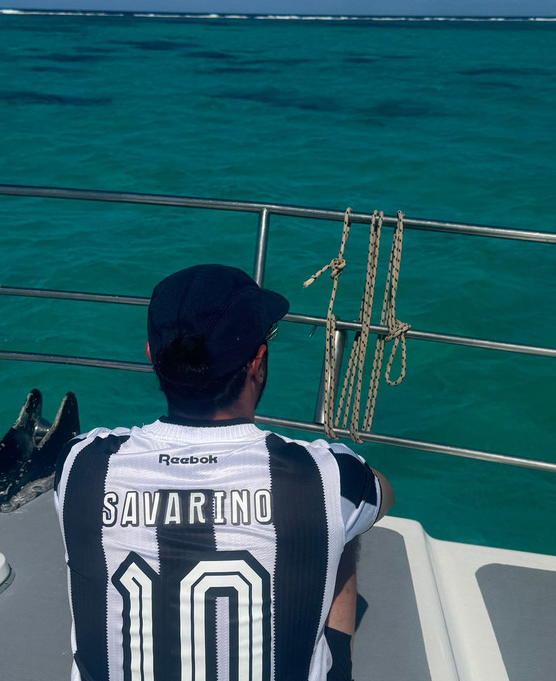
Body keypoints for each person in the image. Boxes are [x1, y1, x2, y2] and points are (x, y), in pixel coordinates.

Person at [54, 263, 393, 681]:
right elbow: (382, 494)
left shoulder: (80, 465)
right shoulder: (323, 476)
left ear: (150, 357)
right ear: (258, 362)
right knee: (341, 527)